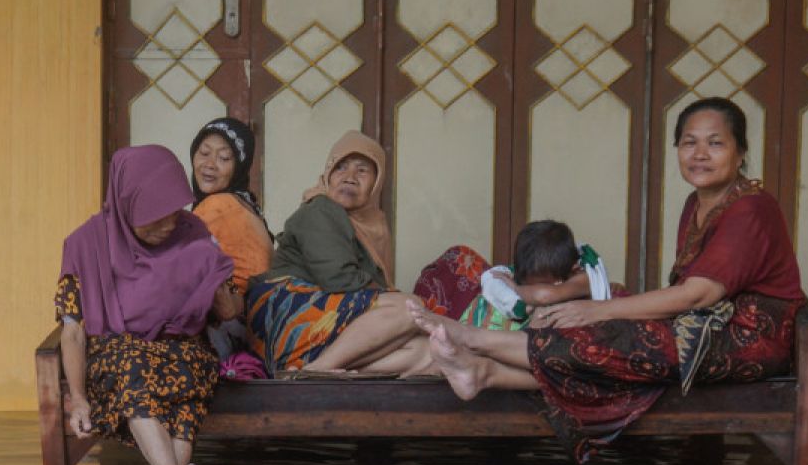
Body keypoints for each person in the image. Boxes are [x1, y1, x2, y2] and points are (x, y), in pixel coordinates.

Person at [408, 97, 804, 462]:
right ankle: (483, 371)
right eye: (688, 143)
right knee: (605, 327)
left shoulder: (752, 209)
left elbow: (699, 293)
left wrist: (595, 311)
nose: (699, 154)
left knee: (602, 335)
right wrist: (598, 310)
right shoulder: (699, 203)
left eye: (715, 143)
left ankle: (472, 340)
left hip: (744, 341)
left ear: (740, 152)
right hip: (702, 329)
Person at [56, 145, 238, 465]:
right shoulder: (86, 244)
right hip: (117, 352)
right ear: (125, 207)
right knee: (135, 370)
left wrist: (211, 267)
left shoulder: (194, 234)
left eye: (172, 213)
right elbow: (72, 331)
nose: (167, 225)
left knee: (184, 388)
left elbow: (230, 313)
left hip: (182, 349)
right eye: (152, 219)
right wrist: (78, 399)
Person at [246, 131, 431, 377]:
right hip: (286, 321)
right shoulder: (321, 208)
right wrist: (401, 302)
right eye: (341, 168)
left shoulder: (373, 226)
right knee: (412, 309)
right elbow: (339, 279)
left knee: (428, 351)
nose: (350, 178)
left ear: (377, 183)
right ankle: (316, 370)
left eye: (362, 171)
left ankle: (324, 370)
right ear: (328, 175)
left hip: (325, 330)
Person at [187, 117, 274, 360]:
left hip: (233, 324)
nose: (210, 164)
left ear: (240, 166)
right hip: (256, 324)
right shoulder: (244, 202)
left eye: (224, 158)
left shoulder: (217, 205)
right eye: (204, 153)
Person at [460, 219, 611, 331]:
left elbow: (543, 296)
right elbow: (493, 279)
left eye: (536, 285)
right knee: (485, 300)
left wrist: (516, 288)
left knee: (542, 313)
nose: (529, 290)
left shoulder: (586, 275)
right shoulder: (530, 270)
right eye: (525, 284)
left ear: (571, 270)